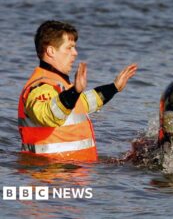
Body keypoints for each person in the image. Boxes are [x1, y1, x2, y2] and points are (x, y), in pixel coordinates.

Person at [18, 20, 137, 162]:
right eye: (69, 48)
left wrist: (114, 87)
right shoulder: (39, 86)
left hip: (72, 173)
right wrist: (75, 91)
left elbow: (85, 103)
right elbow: (48, 114)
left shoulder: (61, 85)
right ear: (51, 51)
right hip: (51, 175)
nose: (75, 53)